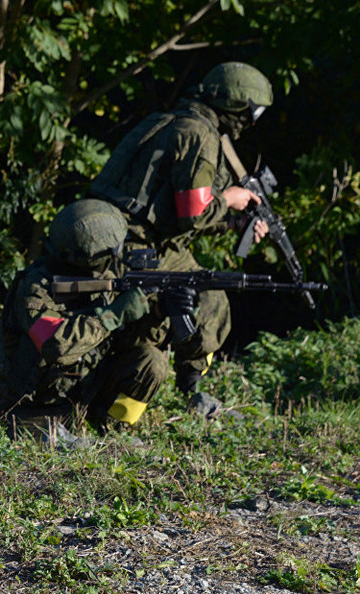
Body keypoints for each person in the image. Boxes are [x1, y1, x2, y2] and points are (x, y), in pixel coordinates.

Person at [88, 61, 273, 395]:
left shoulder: (168, 120)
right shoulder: (199, 134)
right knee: (209, 300)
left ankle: (180, 389)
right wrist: (229, 198)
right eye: (251, 112)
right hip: (137, 247)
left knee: (210, 298)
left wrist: (234, 223)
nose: (251, 121)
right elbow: (194, 212)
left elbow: (173, 213)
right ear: (235, 104)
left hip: (121, 236)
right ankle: (182, 392)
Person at [0, 199, 172, 434]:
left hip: (86, 398)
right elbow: (56, 346)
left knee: (151, 361)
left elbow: (126, 343)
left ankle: (113, 428)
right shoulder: (35, 289)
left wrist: (157, 313)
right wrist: (114, 314)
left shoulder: (106, 276)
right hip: (31, 413)